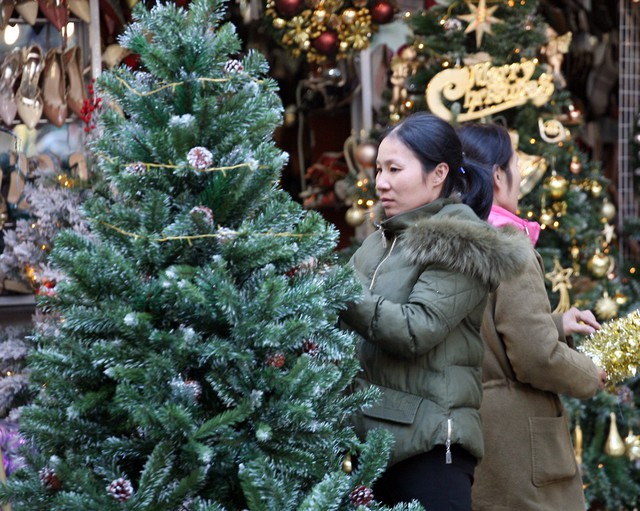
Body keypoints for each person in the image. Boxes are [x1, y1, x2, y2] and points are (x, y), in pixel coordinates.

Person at [339, 112, 532, 511]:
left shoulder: (459, 241)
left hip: (428, 449)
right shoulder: (378, 243)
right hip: (368, 444)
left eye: (394, 168)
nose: (381, 183)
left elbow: (416, 330)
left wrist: (336, 288)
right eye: (378, 169)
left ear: (438, 173)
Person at [457, 122, 608, 511]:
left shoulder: (451, 235)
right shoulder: (508, 246)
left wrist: (556, 324)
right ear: (496, 175)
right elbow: (533, 355)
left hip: (466, 433)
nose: (522, 173)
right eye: (517, 162)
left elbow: (484, 328)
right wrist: (589, 372)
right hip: (516, 447)